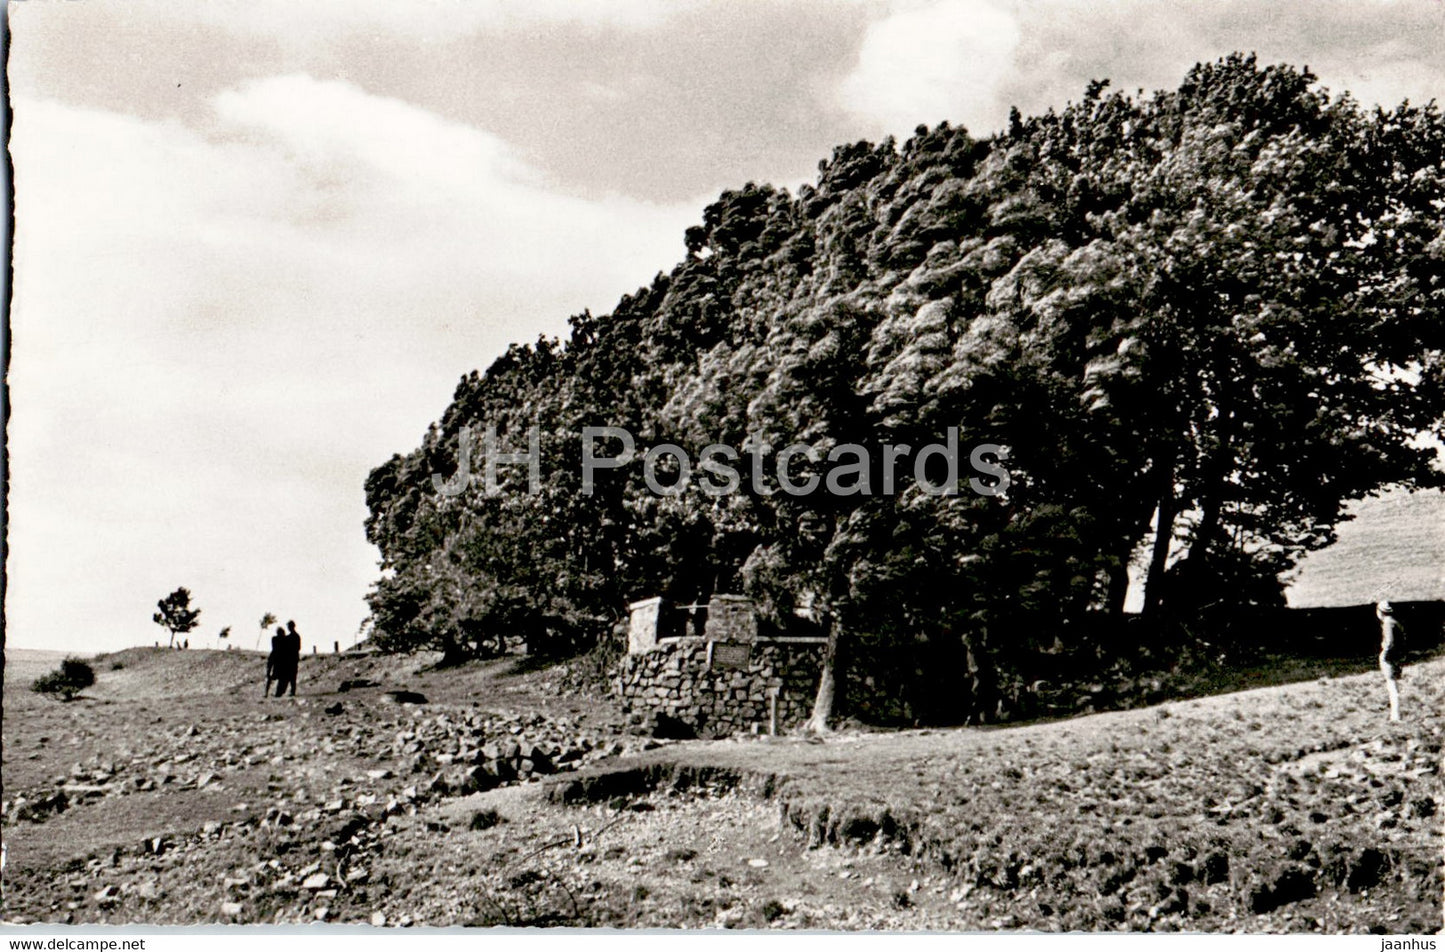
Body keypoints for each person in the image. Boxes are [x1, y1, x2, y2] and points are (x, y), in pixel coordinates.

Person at [1377, 601, 1405, 722]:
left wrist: (1384, 655)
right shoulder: (1395, 622)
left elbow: (1389, 642)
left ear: (1380, 612)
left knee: (1391, 685)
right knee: (1394, 685)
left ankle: (1395, 716)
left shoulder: (1387, 624)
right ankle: (1396, 713)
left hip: (1390, 659)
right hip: (1397, 657)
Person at [265, 626, 286, 697]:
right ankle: (276, 693)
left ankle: (267, 693)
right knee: (279, 677)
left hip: (275, 657)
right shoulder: (282, 639)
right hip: (280, 659)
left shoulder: (274, 639)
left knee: (270, 676)